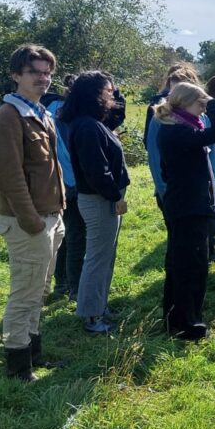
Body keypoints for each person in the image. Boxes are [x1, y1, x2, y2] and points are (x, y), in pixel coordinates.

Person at [0, 44, 67, 381]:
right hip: (28, 222)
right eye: (35, 72)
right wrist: (32, 221)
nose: (43, 78)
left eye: (47, 72)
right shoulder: (7, 118)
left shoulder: (39, 112)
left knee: (40, 291)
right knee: (24, 295)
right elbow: (9, 177)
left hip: (50, 217)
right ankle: (18, 369)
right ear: (16, 74)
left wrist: (55, 215)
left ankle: (34, 355)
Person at [154, 83, 215, 340]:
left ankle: (175, 318)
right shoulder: (177, 132)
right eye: (201, 105)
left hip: (185, 203)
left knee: (180, 263)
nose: (203, 110)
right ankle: (188, 324)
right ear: (184, 103)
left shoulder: (178, 127)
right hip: (188, 206)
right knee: (191, 265)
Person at [61, 71, 129, 334]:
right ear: (94, 94)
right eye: (108, 90)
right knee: (98, 258)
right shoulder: (87, 126)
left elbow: (116, 114)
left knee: (104, 256)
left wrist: (116, 91)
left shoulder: (92, 121)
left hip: (103, 199)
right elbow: (96, 171)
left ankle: (98, 306)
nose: (111, 94)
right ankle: (91, 316)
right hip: (100, 200)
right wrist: (115, 197)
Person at [145, 64, 215, 260]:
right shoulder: (167, 122)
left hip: (197, 186)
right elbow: (155, 155)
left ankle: (208, 248)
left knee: (202, 231)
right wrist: (162, 187)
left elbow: (210, 154)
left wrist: (213, 181)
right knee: (187, 248)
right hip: (183, 194)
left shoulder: (196, 118)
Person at [45, 74, 85, 303]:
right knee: (77, 235)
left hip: (54, 182)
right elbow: (68, 149)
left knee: (64, 235)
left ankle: (61, 284)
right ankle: (75, 288)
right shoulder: (67, 113)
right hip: (71, 182)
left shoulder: (50, 106)